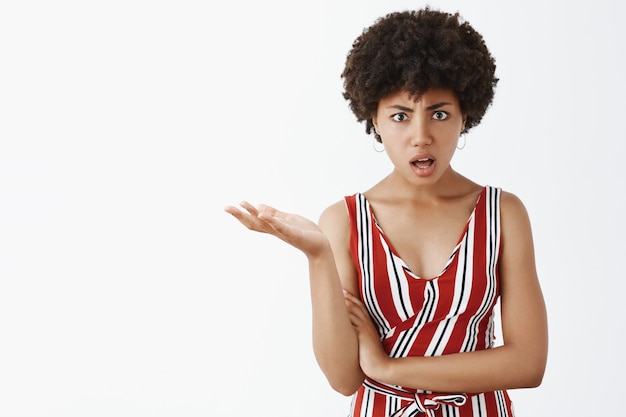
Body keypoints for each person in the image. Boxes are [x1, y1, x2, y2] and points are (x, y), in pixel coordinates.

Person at [224, 7, 547, 417]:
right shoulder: (342, 222)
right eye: (399, 116)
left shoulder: (503, 214)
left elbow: (528, 363)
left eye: (440, 113)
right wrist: (318, 255)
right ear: (373, 119)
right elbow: (343, 379)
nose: (421, 136)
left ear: (466, 115)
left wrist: (388, 368)